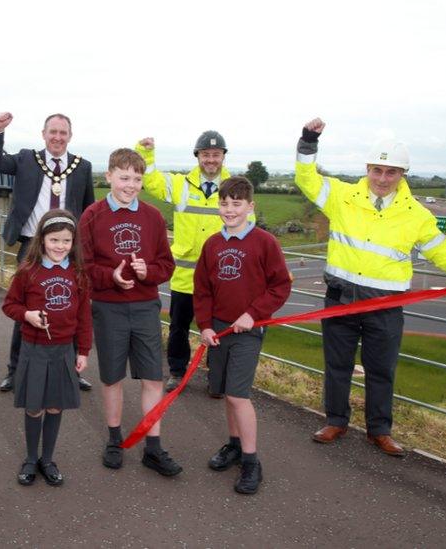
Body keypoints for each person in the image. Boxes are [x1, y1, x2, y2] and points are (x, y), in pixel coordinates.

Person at [295, 118, 446, 456]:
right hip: (341, 299)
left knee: (381, 370)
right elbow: (305, 177)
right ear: (368, 169)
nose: (382, 179)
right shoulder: (342, 196)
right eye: (377, 170)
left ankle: (379, 430)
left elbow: (441, 250)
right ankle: (335, 421)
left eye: (391, 172)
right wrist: (308, 141)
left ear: (402, 175)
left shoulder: (416, 214)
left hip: (385, 305)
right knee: (337, 366)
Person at [79, 148, 181, 476]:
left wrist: (146, 272)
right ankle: (113, 439)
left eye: (137, 179)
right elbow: (82, 267)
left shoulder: (152, 217)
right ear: (108, 176)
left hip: (145, 307)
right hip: (108, 308)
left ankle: (153, 446)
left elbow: (166, 264)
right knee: (112, 377)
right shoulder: (92, 216)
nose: (131, 185)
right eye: (124, 177)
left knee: (153, 377)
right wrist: (111, 277)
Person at [193, 176, 291, 494]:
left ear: (250, 207)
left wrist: (254, 314)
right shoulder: (212, 244)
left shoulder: (264, 242)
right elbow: (202, 290)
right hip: (219, 331)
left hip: (248, 330)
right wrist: (205, 326)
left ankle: (251, 460)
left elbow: (280, 285)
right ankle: (234, 445)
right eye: (224, 203)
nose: (229, 210)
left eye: (237, 204)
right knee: (224, 391)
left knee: (238, 395)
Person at [135, 133, 254, 394]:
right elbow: (152, 181)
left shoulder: (234, 187)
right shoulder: (181, 184)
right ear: (197, 156)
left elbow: (248, 225)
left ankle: (216, 377)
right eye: (205, 154)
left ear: (223, 156)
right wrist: (146, 154)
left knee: (218, 328)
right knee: (179, 327)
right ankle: (177, 372)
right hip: (184, 275)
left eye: (216, 154)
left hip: (221, 277)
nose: (211, 159)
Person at [0, 112, 96, 392]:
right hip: (32, 247)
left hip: (66, 249)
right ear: (43, 133)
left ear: (70, 136)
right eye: (53, 132)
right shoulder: (27, 159)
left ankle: (73, 368)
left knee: (70, 309)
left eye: (63, 133)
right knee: (26, 309)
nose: (57, 137)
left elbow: (86, 211)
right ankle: (15, 370)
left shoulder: (81, 167)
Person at [2, 209, 92, 486]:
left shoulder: (77, 273)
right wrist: (26, 315)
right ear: (41, 240)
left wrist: (83, 351)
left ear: (72, 243)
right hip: (34, 349)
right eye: (54, 240)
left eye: (66, 241)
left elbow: (84, 317)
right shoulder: (28, 272)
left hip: (64, 350)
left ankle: (48, 459)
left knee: (55, 406)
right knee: (34, 407)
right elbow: (10, 305)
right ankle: (31, 459)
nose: (60, 246)